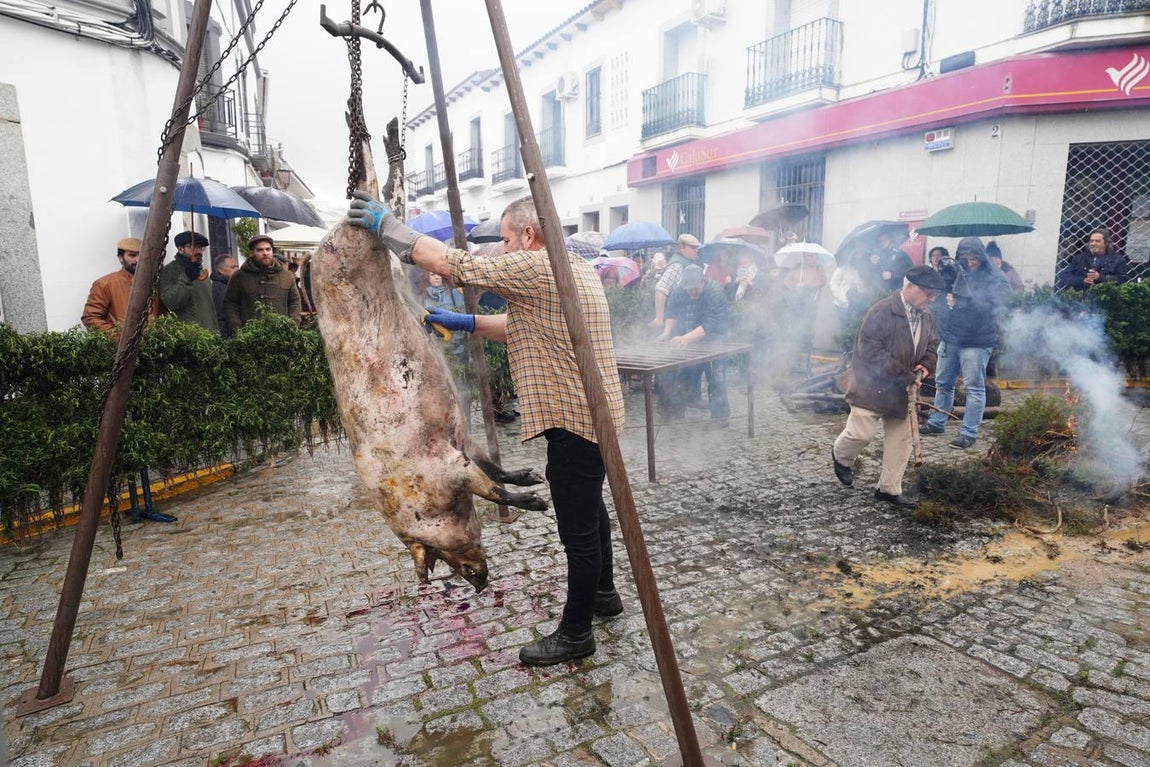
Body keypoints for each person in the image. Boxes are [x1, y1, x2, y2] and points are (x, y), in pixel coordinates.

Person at [347, 191, 625, 667]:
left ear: (529, 236)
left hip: (573, 417)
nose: (502, 247)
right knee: (591, 507)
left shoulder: (537, 265)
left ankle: (577, 631)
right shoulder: (574, 268)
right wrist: (464, 321)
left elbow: (452, 264)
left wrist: (387, 225)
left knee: (576, 530)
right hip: (594, 413)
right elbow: (521, 325)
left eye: (506, 238)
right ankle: (604, 593)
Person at [832, 266, 945, 509]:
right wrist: (906, 375)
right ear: (909, 287)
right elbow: (871, 353)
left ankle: (889, 489)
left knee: (901, 439)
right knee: (861, 434)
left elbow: (932, 346)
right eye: (929, 294)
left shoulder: (926, 316)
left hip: (901, 391)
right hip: (871, 387)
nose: (932, 300)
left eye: (935, 295)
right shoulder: (881, 311)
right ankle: (841, 457)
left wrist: (924, 368)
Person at [919, 237, 1012, 449]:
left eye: (974, 258)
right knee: (943, 384)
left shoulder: (995, 278)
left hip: (977, 340)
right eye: (965, 257)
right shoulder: (956, 270)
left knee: (974, 388)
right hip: (951, 336)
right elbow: (941, 297)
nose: (969, 262)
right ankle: (937, 422)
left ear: (982, 256)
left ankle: (969, 433)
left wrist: (963, 302)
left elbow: (995, 308)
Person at [656, 264, 731, 424]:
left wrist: (684, 338)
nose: (691, 292)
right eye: (689, 289)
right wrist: (667, 332)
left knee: (717, 378)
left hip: (715, 339)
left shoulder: (715, 292)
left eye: (695, 288)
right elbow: (672, 311)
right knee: (679, 375)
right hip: (690, 338)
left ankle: (720, 417)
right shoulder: (680, 290)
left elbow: (710, 325)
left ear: (703, 281)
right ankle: (673, 412)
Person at [81, 237, 159, 339]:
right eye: (132, 255)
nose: (138, 259)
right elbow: (90, 318)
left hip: (152, 349)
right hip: (121, 351)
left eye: (142, 255)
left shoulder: (153, 283)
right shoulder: (105, 284)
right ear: (120, 258)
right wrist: (119, 338)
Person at [222, 235, 302, 332]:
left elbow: (294, 301)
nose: (265, 253)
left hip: (281, 335)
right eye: (260, 250)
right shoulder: (239, 276)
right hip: (249, 335)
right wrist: (236, 327)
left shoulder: (287, 276)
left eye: (268, 249)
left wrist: (293, 325)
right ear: (252, 252)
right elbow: (231, 303)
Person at [160, 230, 219, 332]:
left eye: (201, 247)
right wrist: (187, 277)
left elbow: (210, 310)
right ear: (180, 248)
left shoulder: (201, 273)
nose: (199, 251)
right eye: (193, 246)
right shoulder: (170, 271)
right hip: (189, 339)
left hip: (209, 338)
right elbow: (171, 302)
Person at [648, 233, 701, 329]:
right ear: (681, 247)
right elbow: (661, 289)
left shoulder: (688, 262)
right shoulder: (677, 265)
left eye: (697, 247)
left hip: (682, 317)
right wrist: (659, 318)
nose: (696, 250)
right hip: (674, 320)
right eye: (693, 247)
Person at [1056, 228, 1129, 289]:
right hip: (1079, 299)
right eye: (1091, 241)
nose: (1093, 244)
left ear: (1106, 243)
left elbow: (1122, 279)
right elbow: (1065, 276)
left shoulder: (1117, 260)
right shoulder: (1079, 258)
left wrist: (1100, 277)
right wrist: (1083, 281)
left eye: (1097, 241)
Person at [211, 253, 238, 338]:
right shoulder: (219, 288)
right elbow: (221, 316)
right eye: (233, 267)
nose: (237, 269)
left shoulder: (230, 284)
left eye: (237, 266)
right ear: (221, 270)